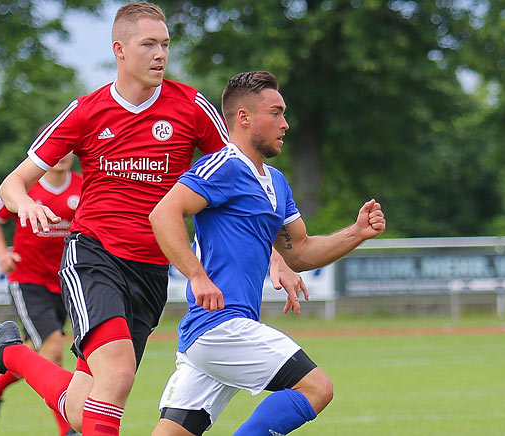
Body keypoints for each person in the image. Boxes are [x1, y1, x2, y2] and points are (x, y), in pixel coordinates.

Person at [0, 4, 301, 436]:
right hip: (94, 256)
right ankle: (13, 354)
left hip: (151, 271)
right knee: (119, 374)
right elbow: (13, 182)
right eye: (148, 44)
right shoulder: (86, 111)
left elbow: (239, 185)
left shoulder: (191, 106)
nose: (160, 54)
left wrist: (276, 255)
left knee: (85, 407)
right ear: (119, 50)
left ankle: (11, 354)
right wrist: (25, 203)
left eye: (165, 44)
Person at [148, 71, 385, 436]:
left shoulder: (276, 181)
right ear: (243, 118)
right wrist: (197, 276)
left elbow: (300, 252)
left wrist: (356, 233)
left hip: (215, 336)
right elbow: (163, 213)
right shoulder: (223, 166)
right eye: (275, 113)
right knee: (316, 387)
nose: (285, 124)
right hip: (221, 326)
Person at [0, 152, 82, 436]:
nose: (62, 156)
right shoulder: (22, 186)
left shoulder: (83, 186)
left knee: (37, 354)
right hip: (28, 280)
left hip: (67, 279)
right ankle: (67, 430)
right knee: (53, 350)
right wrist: (3, 255)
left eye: (68, 150)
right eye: (57, 150)